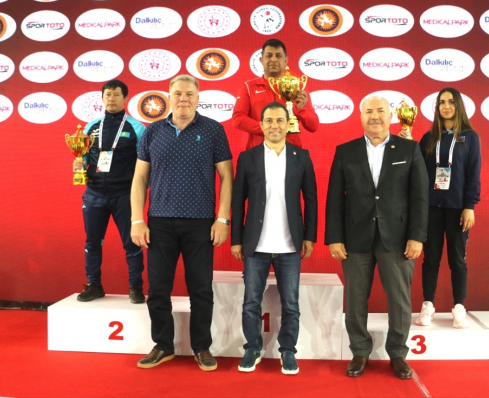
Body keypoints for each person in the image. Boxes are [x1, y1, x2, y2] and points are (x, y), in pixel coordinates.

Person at [130, 75, 233, 371]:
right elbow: (139, 178)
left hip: (200, 224)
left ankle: (202, 347)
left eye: (189, 94)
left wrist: (222, 219)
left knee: (201, 290)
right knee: (158, 289)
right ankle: (163, 345)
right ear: (169, 97)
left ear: (198, 98)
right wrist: (137, 220)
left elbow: (227, 177)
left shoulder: (213, 130)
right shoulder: (153, 131)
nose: (183, 98)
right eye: (178, 93)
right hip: (159, 223)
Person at [325, 96, 428, 379]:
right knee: (355, 299)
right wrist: (334, 237)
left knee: (399, 300)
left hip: (398, 238)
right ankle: (360, 352)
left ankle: (398, 354)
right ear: (360, 117)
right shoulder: (345, 151)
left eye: (380, 111)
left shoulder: (409, 148)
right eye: (368, 111)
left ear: (390, 116)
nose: (374, 116)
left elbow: (420, 197)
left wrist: (417, 236)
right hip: (355, 238)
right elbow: (335, 198)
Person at [231, 102, 317, 375]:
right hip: (255, 244)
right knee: (250, 302)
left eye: (280, 120)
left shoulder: (302, 156)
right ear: (261, 124)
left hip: (290, 244)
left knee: (291, 303)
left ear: (288, 124)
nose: (274, 125)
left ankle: (288, 351)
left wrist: (310, 237)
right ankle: (252, 348)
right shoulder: (248, 157)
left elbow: (311, 200)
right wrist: (236, 239)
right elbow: (237, 202)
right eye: (269, 120)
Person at [411, 88, 481, 329]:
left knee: (457, 260)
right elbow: (417, 172)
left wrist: (469, 206)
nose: (446, 106)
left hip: (457, 208)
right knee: (430, 259)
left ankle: (459, 307)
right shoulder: (428, 137)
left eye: (451, 102)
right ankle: (427, 306)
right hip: (431, 207)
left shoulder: (470, 137)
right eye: (442, 102)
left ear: (458, 105)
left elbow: (473, 173)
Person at [75, 79, 146, 304]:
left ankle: (136, 287)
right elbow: (84, 157)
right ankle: (94, 285)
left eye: (116, 95)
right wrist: (78, 164)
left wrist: (141, 190)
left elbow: (145, 163)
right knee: (92, 242)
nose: (111, 99)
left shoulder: (137, 128)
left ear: (125, 99)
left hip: (125, 195)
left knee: (132, 242)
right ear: (102, 98)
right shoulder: (90, 126)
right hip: (94, 194)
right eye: (107, 95)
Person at [232, 38, 319, 150]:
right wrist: (269, 129)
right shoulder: (248, 87)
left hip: (292, 151)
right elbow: (238, 119)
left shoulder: (297, 88)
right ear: (261, 60)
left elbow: (313, 126)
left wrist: (301, 110)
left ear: (286, 60)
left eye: (278, 55)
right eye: (269, 55)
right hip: (258, 152)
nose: (273, 59)